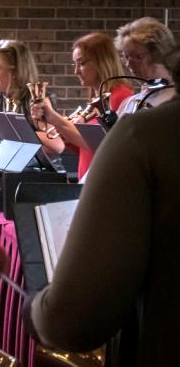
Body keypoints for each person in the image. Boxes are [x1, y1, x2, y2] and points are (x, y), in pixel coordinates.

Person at [25, 46, 180, 366]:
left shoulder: (147, 132)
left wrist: (35, 310)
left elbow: (73, 318)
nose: (76, 69)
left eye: (82, 63)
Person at [38, 32, 133, 179]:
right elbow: (87, 148)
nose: (76, 71)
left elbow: (104, 146)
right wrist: (65, 133)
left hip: (105, 179)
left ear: (102, 62)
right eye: (74, 64)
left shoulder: (121, 97)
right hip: (89, 178)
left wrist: (56, 119)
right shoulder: (97, 98)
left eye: (81, 63)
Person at [114, 16, 176, 117]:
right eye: (126, 57)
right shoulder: (128, 103)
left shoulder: (174, 101)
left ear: (160, 54)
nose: (129, 64)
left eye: (138, 57)